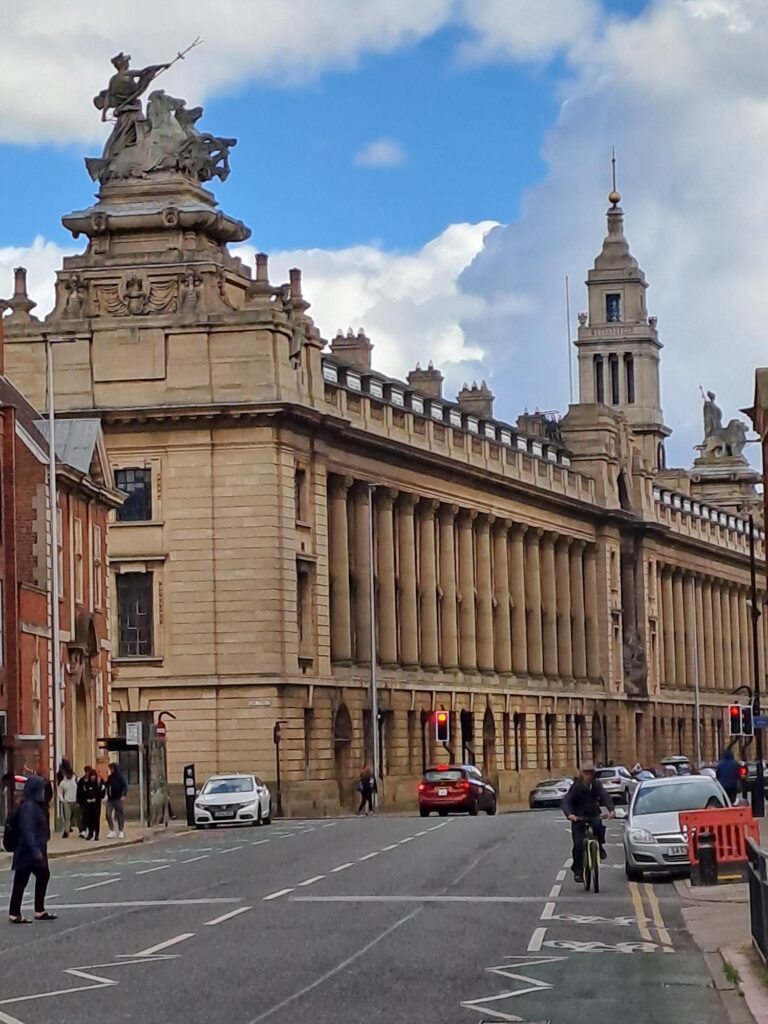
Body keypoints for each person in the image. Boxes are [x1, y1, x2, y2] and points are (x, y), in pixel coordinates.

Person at [8, 775, 56, 924]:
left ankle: (26, 912)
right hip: (28, 851)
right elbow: (27, 829)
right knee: (27, 879)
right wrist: (35, 850)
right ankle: (23, 912)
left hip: (31, 850)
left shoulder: (36, 805)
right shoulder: (29, 806)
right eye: (41, 789)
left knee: (31, 878)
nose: (43, 792)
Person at [563, 762, 615, 883]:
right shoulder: (576, 786)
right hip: (578, 817)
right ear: (582, 774)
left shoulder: (596, 785)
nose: (588, 776)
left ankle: (600, 846)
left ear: (593, 774)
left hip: (593, 815)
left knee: (599, 827)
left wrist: (611, 810)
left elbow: (605, 796)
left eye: (590, 773)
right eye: (586, 773)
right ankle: (578, 871)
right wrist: (570, 814)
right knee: (578, 845)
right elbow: (567, 800)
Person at [105, 762, 128, 839]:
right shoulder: (110, 777)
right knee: (108, 814)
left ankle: (121, 831)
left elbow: (125, 786)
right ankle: (112, 830)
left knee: (119, 814)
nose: (110, 770)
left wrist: (124, 795)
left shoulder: (120, 777)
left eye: (111, 768)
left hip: (118, 798)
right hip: (110, 799)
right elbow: (106, 785)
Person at [81, 768, 104, 841]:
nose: (93, 777)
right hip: (88, 805)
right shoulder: (87, 784)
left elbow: (101, 793)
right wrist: (87, 800)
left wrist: (96, 799)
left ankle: (96, 835)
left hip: (96, 805)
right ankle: (90, 833)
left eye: (94, 776)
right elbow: (84, 793)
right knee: (89, 820)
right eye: (91, 776)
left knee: (96, 820)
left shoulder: (98, 784)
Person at [57, 763, 78, 839]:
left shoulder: (75, 779)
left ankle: (82, 830)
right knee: (67, 817)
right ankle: (66, 831)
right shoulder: (63, 782)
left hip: (75, 801)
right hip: (67, 801)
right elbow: (60, 792)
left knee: (78, 817)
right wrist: (62, 800)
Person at [76, 765, 91, 838]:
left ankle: (89, 829)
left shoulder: (92, 780)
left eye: (88, 772)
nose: (87, 773)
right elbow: (78, 791)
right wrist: (78, 801)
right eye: (86, 772)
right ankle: (83, 830)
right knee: (83, 816)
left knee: (89, 816)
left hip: (91, 802)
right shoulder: (81, 780)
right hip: (83, 801)